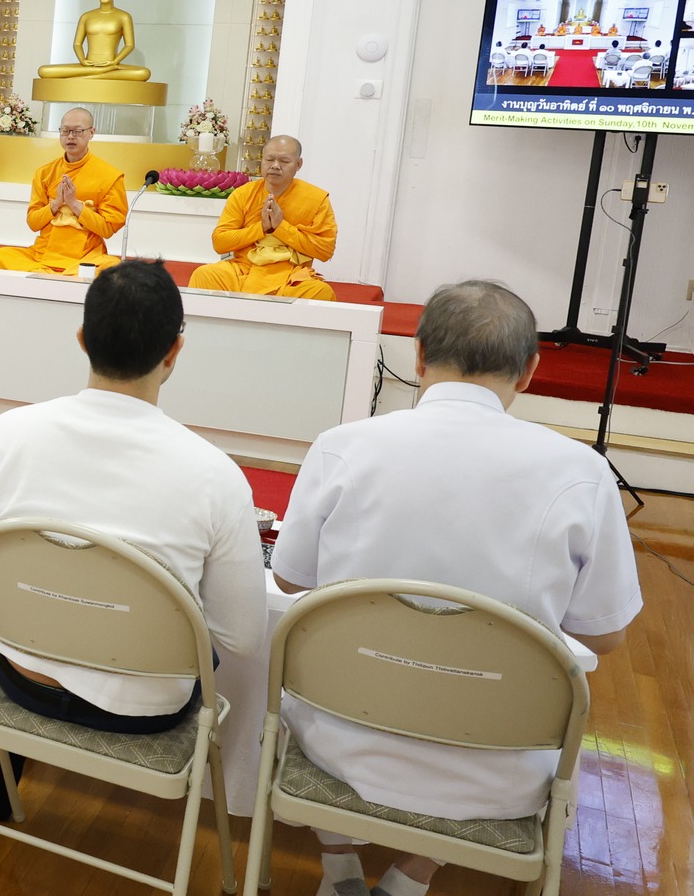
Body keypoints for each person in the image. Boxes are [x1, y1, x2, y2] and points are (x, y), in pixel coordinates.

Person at [271, 280, 643, 896]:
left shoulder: (344, 447)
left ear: (417, 358)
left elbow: (289, 579)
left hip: (337, 738)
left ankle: (338, 867)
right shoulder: (581, 473)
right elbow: (603, 635)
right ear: (529, 371)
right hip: (499, 762)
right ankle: (412, 877)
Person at [0, 259, 265, 817]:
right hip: (147, 705)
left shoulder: (6, 435)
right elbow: (241, 636)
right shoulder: (215, 474)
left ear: (83, 340)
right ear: (174, 351)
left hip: (20, 680)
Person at [0, 107, 127, 273]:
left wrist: (74, 205)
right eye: (65, 131)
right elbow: (33, 223)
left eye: (78, 131)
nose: (70, 136)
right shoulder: (45, 173)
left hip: (84, 258)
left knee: (112, 268)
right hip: (42, 255)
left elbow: (107, 229)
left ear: (92, 132)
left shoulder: (109, 176)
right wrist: (55, 204)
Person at [186, 135, 337, 300]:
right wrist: (261, 228)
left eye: (284, 161)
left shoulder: (316, 199)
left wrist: (281, 227)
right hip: (244, 270)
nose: (275, 166)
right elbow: (220, 243)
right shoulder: (243, 194)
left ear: (298, 164)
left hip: (290, 276)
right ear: (261, 161)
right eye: (269, 159)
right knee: (204, 276)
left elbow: (325, 250)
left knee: (320, 292)